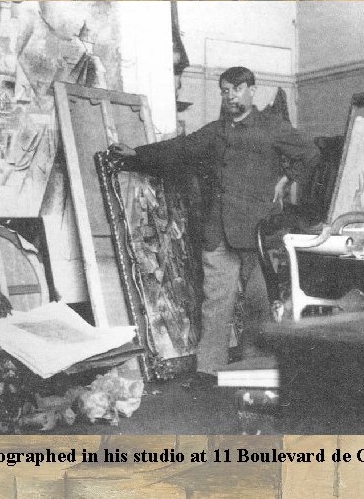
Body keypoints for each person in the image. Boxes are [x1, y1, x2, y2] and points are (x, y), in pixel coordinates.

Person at [110, 66, 319, 388]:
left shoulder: (271, 126)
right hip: (218, 231)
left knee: (259, 304)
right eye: (225, 90)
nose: (230, 95)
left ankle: (255, 367)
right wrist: (137, 154)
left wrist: (288, 178)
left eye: (236, 89)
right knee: (215, 303)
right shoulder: (214, 132)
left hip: (259, 232)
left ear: (252, 90)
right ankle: (209, 371)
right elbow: (181, 147)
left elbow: (310, 152)